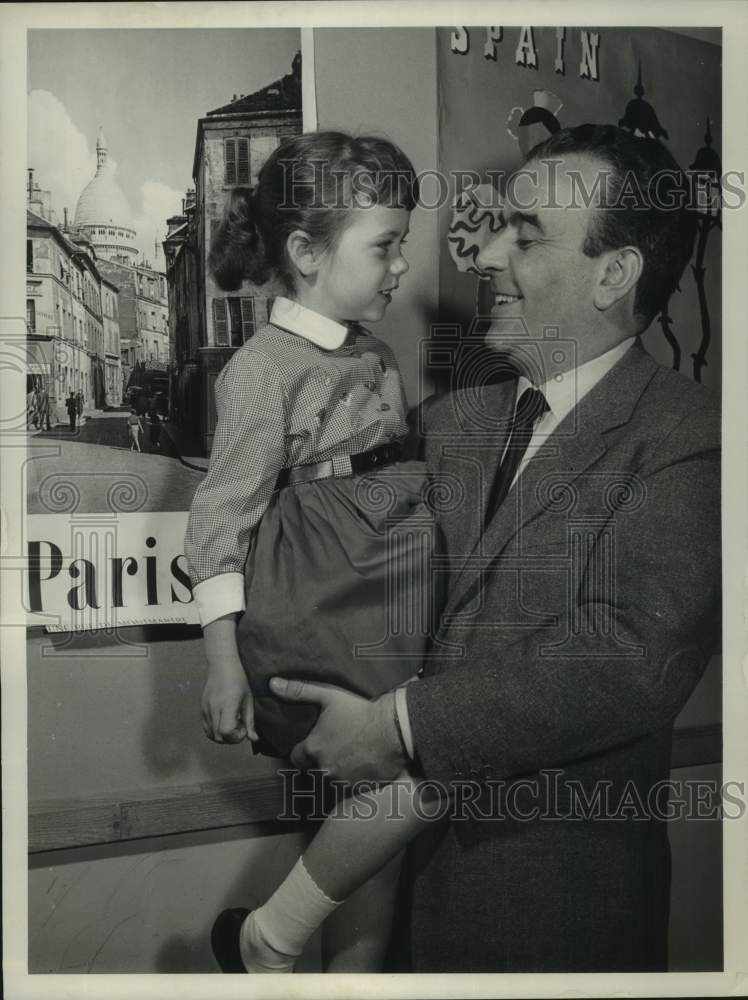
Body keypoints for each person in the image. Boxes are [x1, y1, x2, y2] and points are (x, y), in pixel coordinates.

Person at [267, 124, 721, 972]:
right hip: (384, 925)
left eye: (527, 233)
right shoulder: (447, 426)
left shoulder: (692, 439)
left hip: (549, 930)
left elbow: (629, 658)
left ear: (614, 275)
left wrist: (396, 728)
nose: (484, 256)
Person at [185, 131, 442, 974]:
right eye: (384, 246)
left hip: (387, 578)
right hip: (326, 591)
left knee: (377, 822)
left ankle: (317, 967)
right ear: (305, 251)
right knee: (419, 767)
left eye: (403, 243)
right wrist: (223, 663)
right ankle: (272, 937)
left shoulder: (374, 350)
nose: (401, 265)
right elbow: (222, 519)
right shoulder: (262, 369)